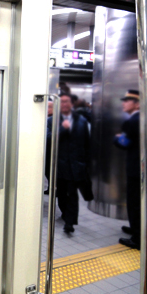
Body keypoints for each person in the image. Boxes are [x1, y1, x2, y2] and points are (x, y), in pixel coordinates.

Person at [47, 92, 91, 233]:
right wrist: (63, 129)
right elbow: (48, 139)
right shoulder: (51, 120)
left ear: (72, 104)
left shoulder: (81, 121)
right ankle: (65, 213)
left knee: (72, 194)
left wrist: (87, 164)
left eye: (67, 102)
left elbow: (87, 143)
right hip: (59, 165)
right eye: (62, 102)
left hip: (76, 165)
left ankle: (70, 222)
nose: (65, 104)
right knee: (61, 192)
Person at [114, 90, 141, 250]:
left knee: (135, 202)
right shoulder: (140, 118)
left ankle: (137, 238)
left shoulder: (133, 121)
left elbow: (124, 143)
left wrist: (116, 138)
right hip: (140, 168)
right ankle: (136, 228)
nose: (124, 103)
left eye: (127, 100)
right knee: (138, 202)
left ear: (137, 103)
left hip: (136, 169)